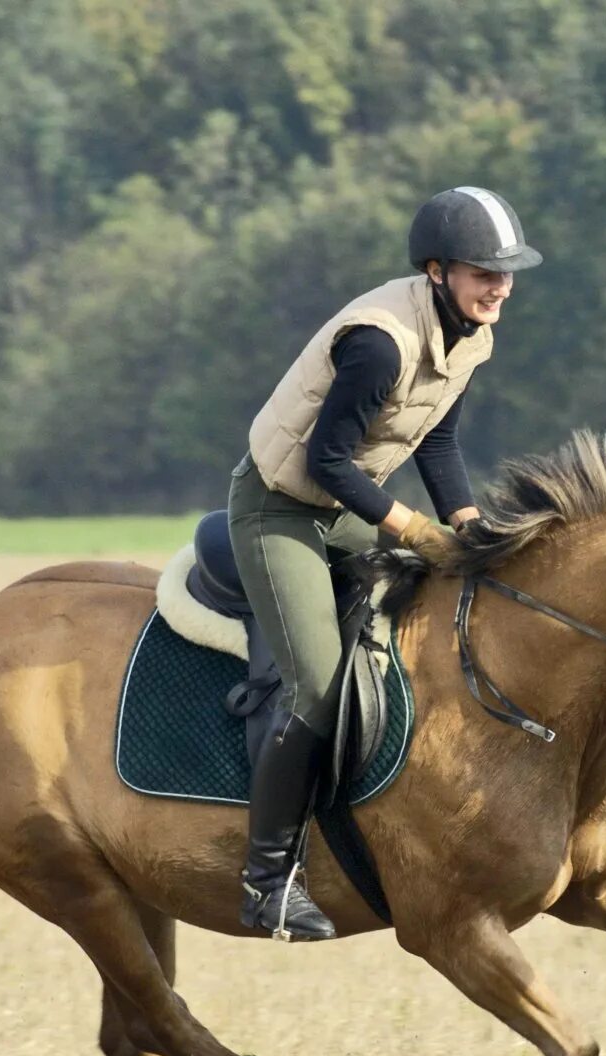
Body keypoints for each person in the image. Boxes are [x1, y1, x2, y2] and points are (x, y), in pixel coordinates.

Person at [228, 186, 543, 940]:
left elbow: (435, 438)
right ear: (437, 271)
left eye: (506, 273)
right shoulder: (380, 342)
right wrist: (415, 530)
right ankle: (266, 879)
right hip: (280, 511)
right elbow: (326, 460)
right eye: (482, 272)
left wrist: (466, 528)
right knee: (319, 687)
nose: (499, 286)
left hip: (341, 511)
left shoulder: (471, 332)